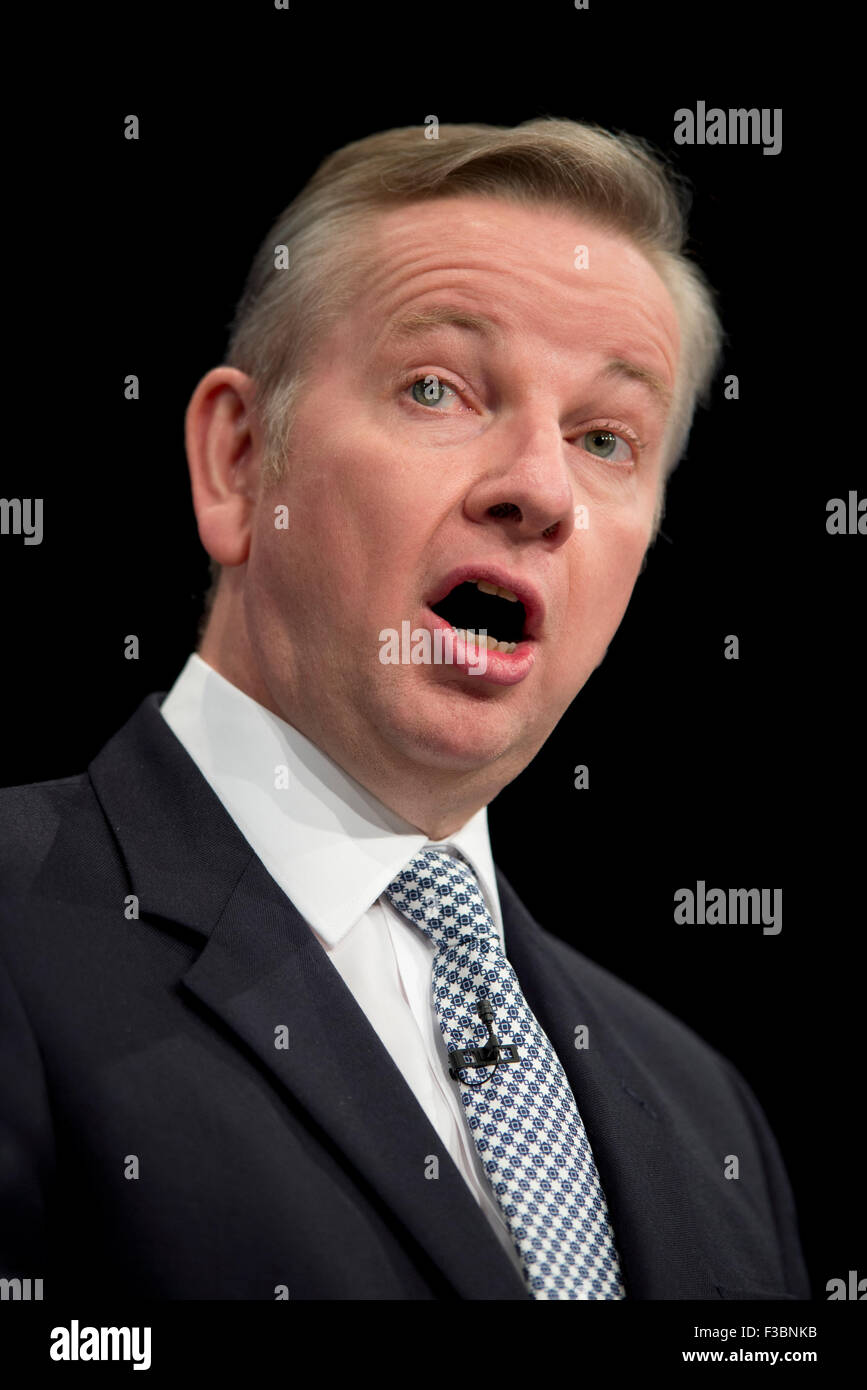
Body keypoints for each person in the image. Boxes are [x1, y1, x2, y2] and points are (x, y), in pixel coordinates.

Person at [0, 118, 810, 1300]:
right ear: (238, 464)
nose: (540, 490)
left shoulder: (702, 1111)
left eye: (605, 438)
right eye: (438, 387)